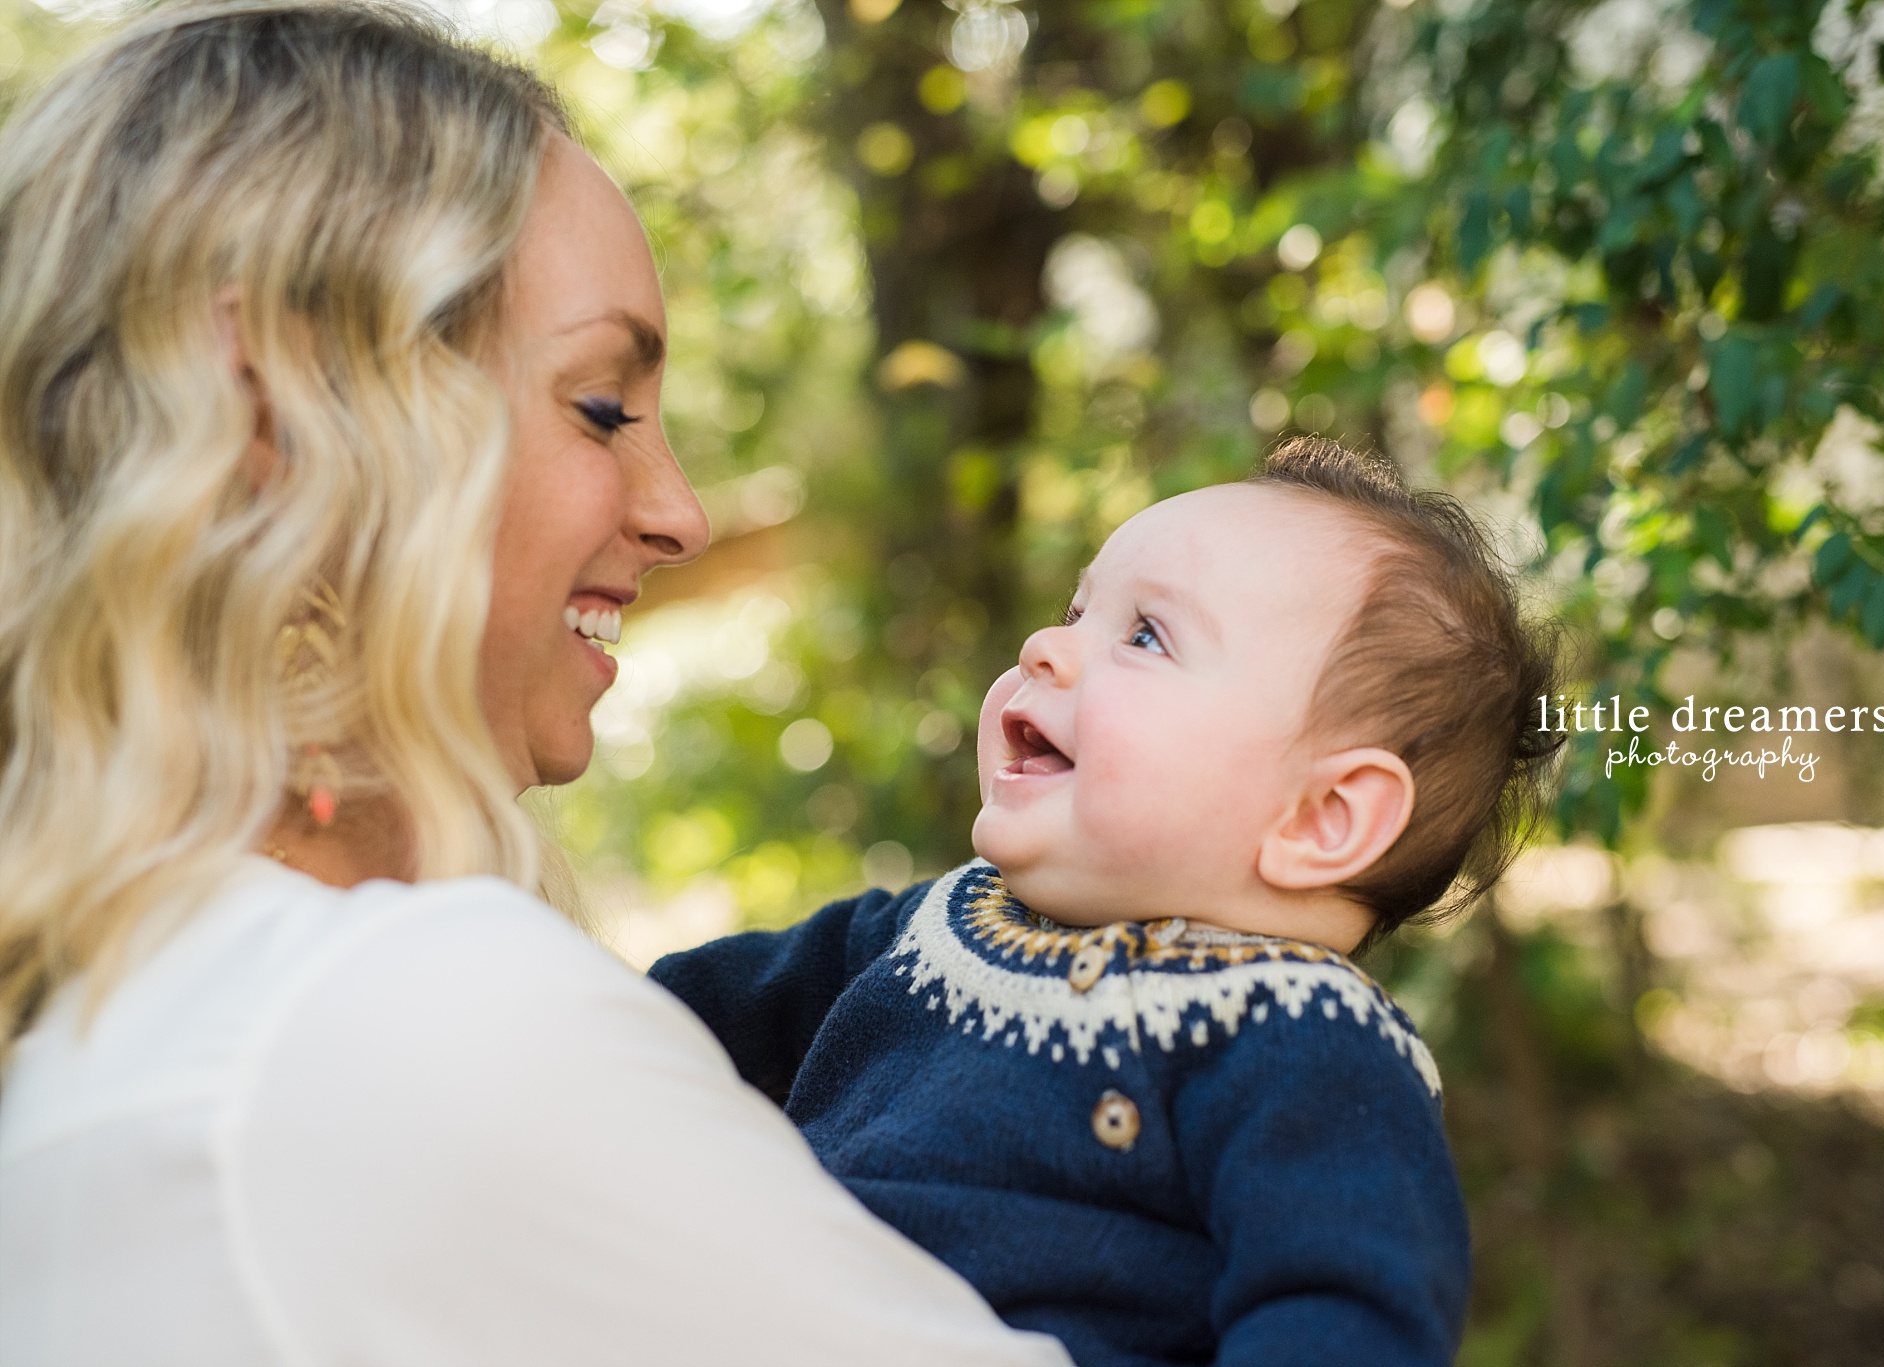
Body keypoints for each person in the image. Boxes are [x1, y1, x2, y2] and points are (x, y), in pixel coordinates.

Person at [0, 5, 1072, 1364]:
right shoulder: (406, 1024)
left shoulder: (102, 1020)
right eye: (603, 408)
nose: (680, 508)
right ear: (273, 406)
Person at [651, 436, 1561, 1367]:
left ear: (1322, 816)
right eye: (1074, 610)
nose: (1045, 647)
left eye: (1144, 636)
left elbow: (1348, 1320)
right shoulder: (934, 926)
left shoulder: (1307, 1042)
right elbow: (650, 1023)